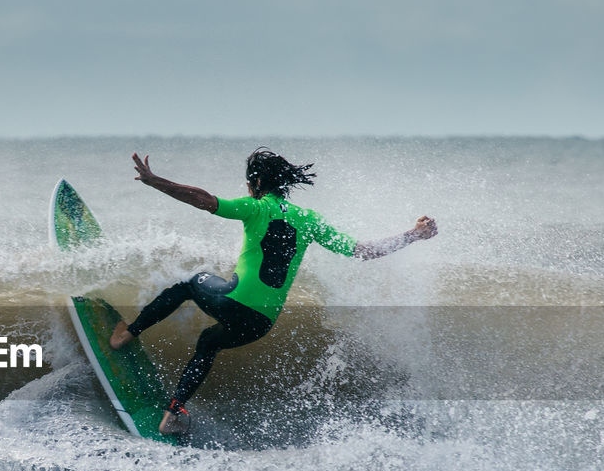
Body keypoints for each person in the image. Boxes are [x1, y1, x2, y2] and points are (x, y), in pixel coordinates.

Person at [110, 148, 438, 435]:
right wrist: (413, 234)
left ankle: (129, 332)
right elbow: (363, 251)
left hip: (233, 300)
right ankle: (173, 412)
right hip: (262, 323)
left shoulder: (256, 208)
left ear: (254, 184)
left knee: (189, 284)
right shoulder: (309, 220)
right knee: (209, 341)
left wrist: (156, 181)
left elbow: (204, 199)